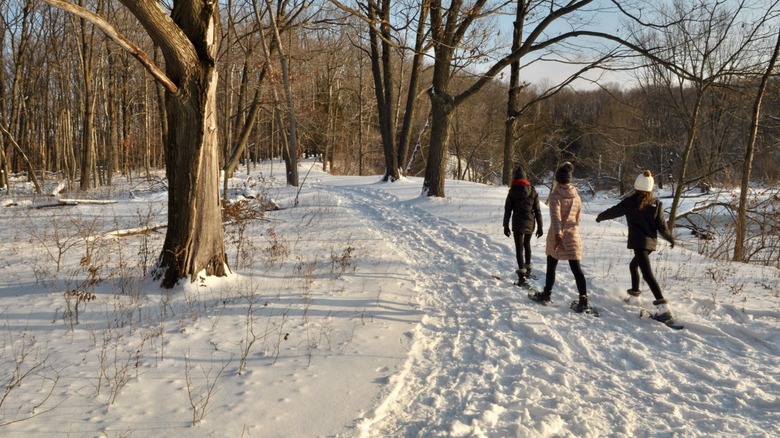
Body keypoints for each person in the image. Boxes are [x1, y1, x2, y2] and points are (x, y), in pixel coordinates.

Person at [595, 170, 676, 323]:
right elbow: (662, 227)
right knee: (634, 266)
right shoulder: (657, 204)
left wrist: (601, 217)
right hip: (650, 243)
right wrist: (670, 238)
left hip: (639, 243)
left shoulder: (631, 202)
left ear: (637, 185)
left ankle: (664, 309)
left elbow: (614, 211)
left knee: (647, 274)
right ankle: (634, 297)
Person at [530, 162, 591, 312]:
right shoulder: (577, 196)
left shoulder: (555, 196)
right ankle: (584, 301)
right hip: (573, 235)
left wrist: (558, 235)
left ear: (557, 179)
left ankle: (546, 294)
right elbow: (577, 219)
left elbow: (555, 218)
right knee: (577, 269)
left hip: (558, 235)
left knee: (551, 265)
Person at [503, 167, 543, 284]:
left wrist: (505, 225)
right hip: (530, 222)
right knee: (527, 244)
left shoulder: (512, 192)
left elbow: (508, 210)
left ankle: (521, 277)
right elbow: (538, 211)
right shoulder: (533, 191)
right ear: (525, 178)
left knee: (519, 248)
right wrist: (540, 227)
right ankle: (528, 270)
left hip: (517, 222)